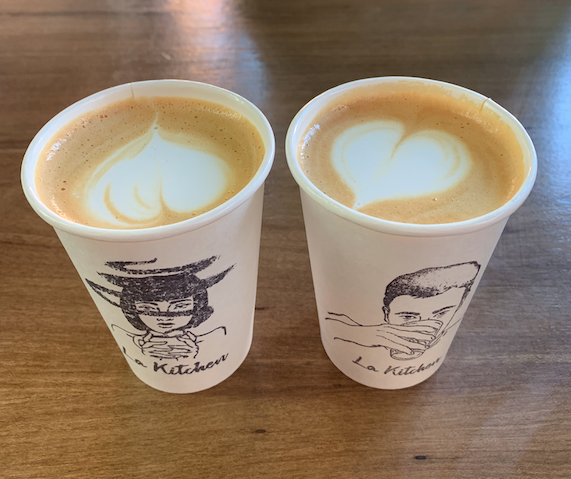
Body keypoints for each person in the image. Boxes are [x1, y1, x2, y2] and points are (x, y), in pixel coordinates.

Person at [86, 256, 233, 361]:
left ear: (197, 306)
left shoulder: (216, 337)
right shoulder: (128, 338)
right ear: (132, 309)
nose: (164, 317)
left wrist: (193, 354)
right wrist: (144, 357)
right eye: (148, 308)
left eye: (179, 306)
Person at [326, 261, 480, 360]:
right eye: (408, 317)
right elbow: (330, 321)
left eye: (441, 314)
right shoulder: (356, 332)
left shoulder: (454, 333)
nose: (425, 324)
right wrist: (357, 334)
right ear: (386, 314)